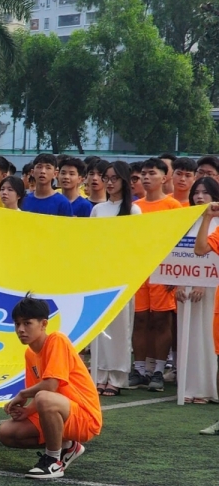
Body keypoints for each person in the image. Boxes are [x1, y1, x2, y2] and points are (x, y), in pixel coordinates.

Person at [0, 295, 100, 479]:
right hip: (61, 409)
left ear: (43, 324)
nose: (20, 329)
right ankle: (68, 447)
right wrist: (28, 411)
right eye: (17, 324)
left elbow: (51, 385)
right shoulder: (30, 353)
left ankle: (53, 461)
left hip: (85, 417)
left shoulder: (56, 340)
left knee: (44, 397)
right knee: (6, 433)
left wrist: (22, 394)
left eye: (27, 323)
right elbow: (40, 393)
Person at [87, 162, 140, 396]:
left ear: (124, 181)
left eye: (114, 178)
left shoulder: (133, 211)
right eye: (106, 178)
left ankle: (117, 378)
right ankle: (98, 374)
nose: (109, 182)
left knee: (120, 328)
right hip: (99, 275)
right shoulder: (98, 209)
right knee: (99, 326)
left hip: (122, 275)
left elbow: (135, 246)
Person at [131, 158, 183, 391]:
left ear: (164, 178)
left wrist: (174, 274)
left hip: (163, 270)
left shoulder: (173, 207)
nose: (145, 177)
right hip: (139, 269)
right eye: (143, 173)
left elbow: (180, 242)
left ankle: (159, 371)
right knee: (140, 319)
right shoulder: (135, 207)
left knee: (162, 319)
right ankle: (140, 369)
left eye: (151, 173)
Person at [174, 177, 219, 404]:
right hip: (186, 289)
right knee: (188, 335)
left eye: (205, 192)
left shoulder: (217, 223)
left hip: (212, 290)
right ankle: (187, 386)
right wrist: (179, 284)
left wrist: (203, 282)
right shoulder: (187, 221)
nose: (199, 196)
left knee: (207, 337)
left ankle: (205, 388)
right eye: (196, 192)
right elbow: (176, 256)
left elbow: (209, 256)